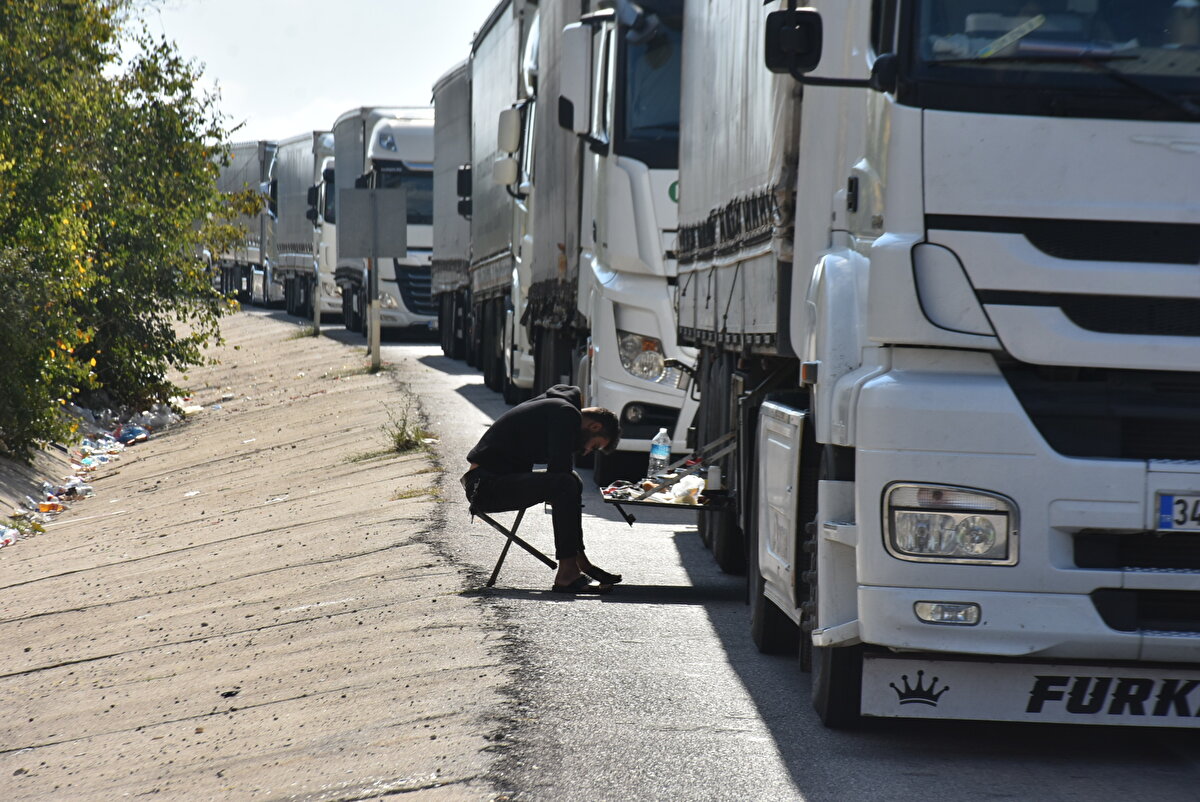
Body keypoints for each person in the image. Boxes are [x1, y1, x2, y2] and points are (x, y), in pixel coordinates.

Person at [461, 384, 623, 593]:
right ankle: (568, 571)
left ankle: (575, 565)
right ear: (594, 427)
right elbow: (559, 470)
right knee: (565, 482)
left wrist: (584, 562)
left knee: (570, 481)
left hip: (490, 482)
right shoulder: (566, 413)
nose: (585, 451)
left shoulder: (558, 407)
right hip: (484, 488)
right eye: (594, 446)